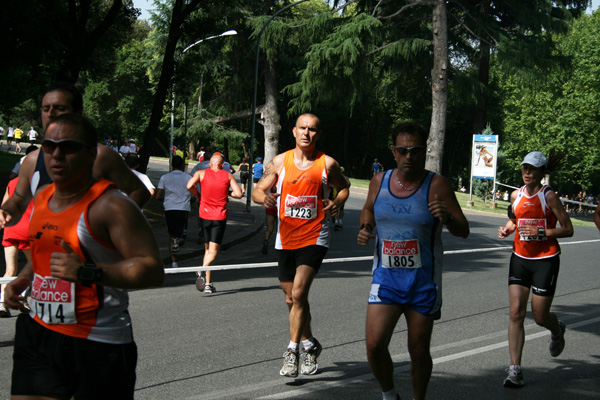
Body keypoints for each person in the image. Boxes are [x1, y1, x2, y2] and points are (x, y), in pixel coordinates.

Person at [3, 114, 164, 399]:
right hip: (39, 332)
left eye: (69, 147)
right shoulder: (42, 197)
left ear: (91, 155)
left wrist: (88, 271)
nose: (57, 155)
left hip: (97, 342)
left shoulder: (112, 206)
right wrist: (23, 279)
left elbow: (152, 269)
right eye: (50, 146)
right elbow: (46, 255)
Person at [357, 122, 469, 400]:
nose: (409, 156)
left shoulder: (437, 185)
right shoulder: (379, 181)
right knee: (373, 345)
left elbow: (463, 230)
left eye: (415, 150)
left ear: (423, 151)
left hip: (423, 282)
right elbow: (369, 208)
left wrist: (448, 216)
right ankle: (389, 395)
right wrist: (366, 227)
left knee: (418, 351)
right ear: (393, 151)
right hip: (385, 279)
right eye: (403, 150)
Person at [252, 113, 349, 378]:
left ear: (318, 134)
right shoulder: (280, 162)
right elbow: (257, 191)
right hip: (286, 236)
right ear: (294, 132)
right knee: (291, 298)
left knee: (298, 292)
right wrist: (265, 200)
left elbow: (344, 187)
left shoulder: (327, 164)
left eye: (312, 129)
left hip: (316, 234)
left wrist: (336, 203)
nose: (307, 133)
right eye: (302, 128)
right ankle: (309, 343)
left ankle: (293, 352)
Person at [0, 82, 150, 230]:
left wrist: (111, 231)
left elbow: (139, 192)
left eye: (60, 108)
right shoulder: (32, 161)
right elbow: (17, 203)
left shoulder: (101, 156)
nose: (51, 114)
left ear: (78, 114)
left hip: (90, 254)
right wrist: (6, 212)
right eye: (46, 109)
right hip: (45, 251)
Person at [497, 150, 573, 388]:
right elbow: (515, 219)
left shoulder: (548, 196)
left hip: (545, 259)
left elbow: (568, 229)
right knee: (516, 313)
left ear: (542, 172)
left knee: (540, 316)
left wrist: (542, 232)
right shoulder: (515, 195)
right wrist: (507, 229)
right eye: (524, 168)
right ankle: (515, 370)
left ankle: (556, 329)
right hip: (520, 257)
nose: (527, 172)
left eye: (532, 169)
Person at [187, 153, 242, 293]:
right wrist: (227, 193)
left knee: (207, 250)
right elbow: (239, 194)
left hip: (204, 216)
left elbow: (189, 185)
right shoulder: (227, 175)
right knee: (214, 251)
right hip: (219, 217)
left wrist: (197, 195)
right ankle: (201, 270)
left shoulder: (201, 173)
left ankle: (208, 284)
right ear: (222, 165)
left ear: (210, 164)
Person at [0, 177, 33, 318]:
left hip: (11, 228)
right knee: (34, 267)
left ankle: (2, 303)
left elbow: (3, 206)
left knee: (10, 270)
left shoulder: (12, 183)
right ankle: (23, 298)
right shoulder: (37, 181)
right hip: (28, 229)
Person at [155, 155, 192, 269]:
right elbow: (194, 193)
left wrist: (165, 199)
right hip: (183, 208)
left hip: (169, 208)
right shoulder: (188, 177)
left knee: (171, 236)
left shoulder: (164, 177)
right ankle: (179, 239)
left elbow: (157, 196)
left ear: (171, 165)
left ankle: (174, 262)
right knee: (181, 233)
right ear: (182, 165)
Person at [332, 166, 351, 231]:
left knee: (335, 207)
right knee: (341, 208)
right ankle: (340, 221)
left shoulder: (335, 177)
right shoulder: (346, 178)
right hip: (343, 194)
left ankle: (336, 221)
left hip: (336, 194)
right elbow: (349, 184)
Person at [262, 184, 278, 255]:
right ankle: (278, 247)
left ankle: (266, 239)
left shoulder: (270, 183)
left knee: (269, 228)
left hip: (270, 206)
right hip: (279, 206)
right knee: (279, 228)